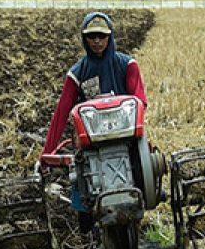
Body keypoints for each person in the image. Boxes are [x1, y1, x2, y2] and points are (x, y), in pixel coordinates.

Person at [41, 10, 148, 156]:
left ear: (109, 37)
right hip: (92, 136)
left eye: (102, 36)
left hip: (125, 131)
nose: (97, 41)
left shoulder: (128, 65)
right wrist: (46, 154)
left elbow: (140, 102)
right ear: (84, 38)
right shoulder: (76, 74)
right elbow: (61, 114)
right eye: (91, 36)